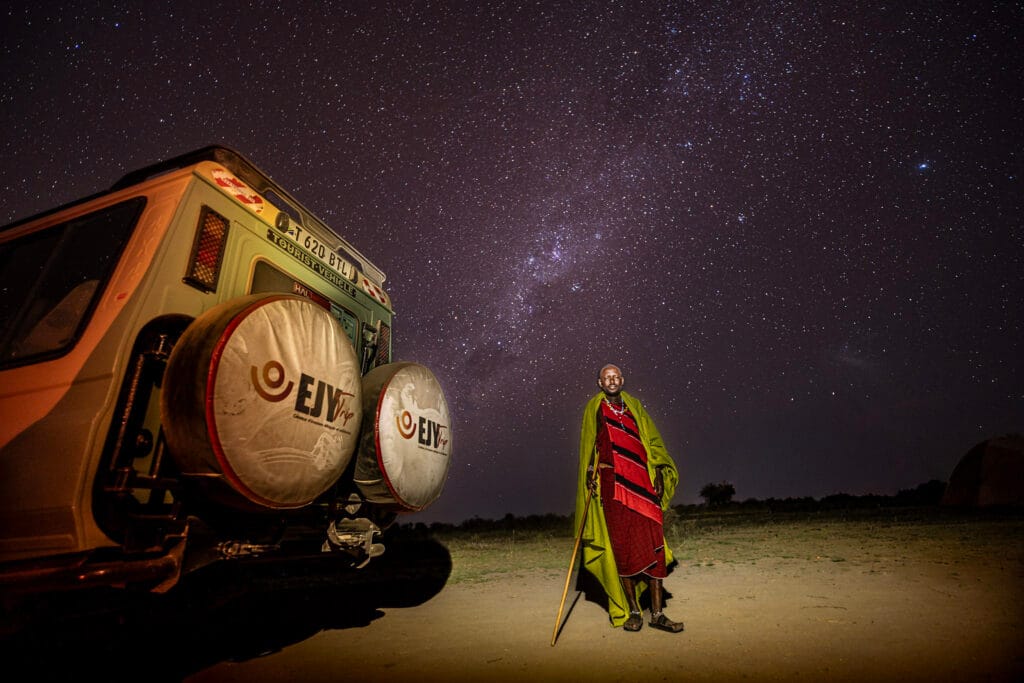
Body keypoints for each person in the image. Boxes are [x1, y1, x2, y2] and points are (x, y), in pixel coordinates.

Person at [574, 363, 684, 633]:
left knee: (654, 542)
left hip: (643, 482)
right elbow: (590, 445)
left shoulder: (634, 406)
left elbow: (653, 443)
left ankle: (657, 614)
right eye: (606, 378)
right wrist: (590, 471)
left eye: (615, 376)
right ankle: (634, 611)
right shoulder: (594, 408)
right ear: (600, 383)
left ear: (622, 379)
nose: (611, 381)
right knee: (622, 548)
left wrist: (657, 469)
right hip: (613, 485)